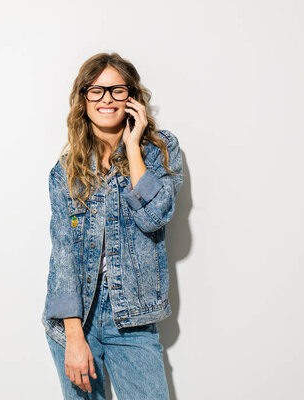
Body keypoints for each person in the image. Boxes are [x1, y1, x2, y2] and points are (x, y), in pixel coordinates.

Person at [40, 52, 184, 399]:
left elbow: (155, 217)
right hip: (77, 320)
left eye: (117, 90)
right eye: (96, 91)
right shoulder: (65, 172)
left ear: (131, 98)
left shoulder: (159, 151)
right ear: (83, 99)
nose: (106, 99)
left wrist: (133, 147)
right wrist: (74, 336)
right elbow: (63, 256)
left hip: (134, 319)